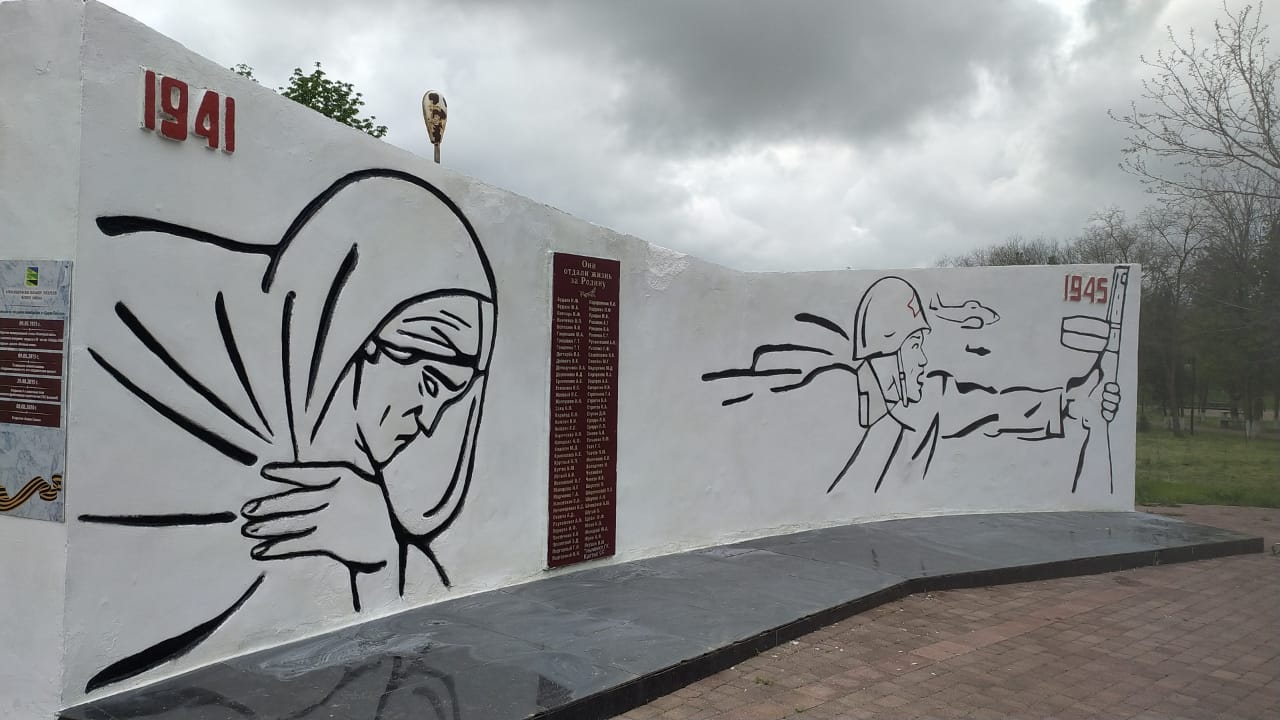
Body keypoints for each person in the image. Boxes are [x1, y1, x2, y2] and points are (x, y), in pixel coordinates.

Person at [81, 169, 496, 692]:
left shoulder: (345, 481)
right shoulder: (155, 341)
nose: (429, 419)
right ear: (361, 335)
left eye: (452, 396)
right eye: (430, 381)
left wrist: (381, 550)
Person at [834, 276, 1119, 492]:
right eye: (914, 345)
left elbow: (994, 408)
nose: (923, 360)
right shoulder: (836, 394)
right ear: (888, 350)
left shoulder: (929, 400)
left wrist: (1069, 403)